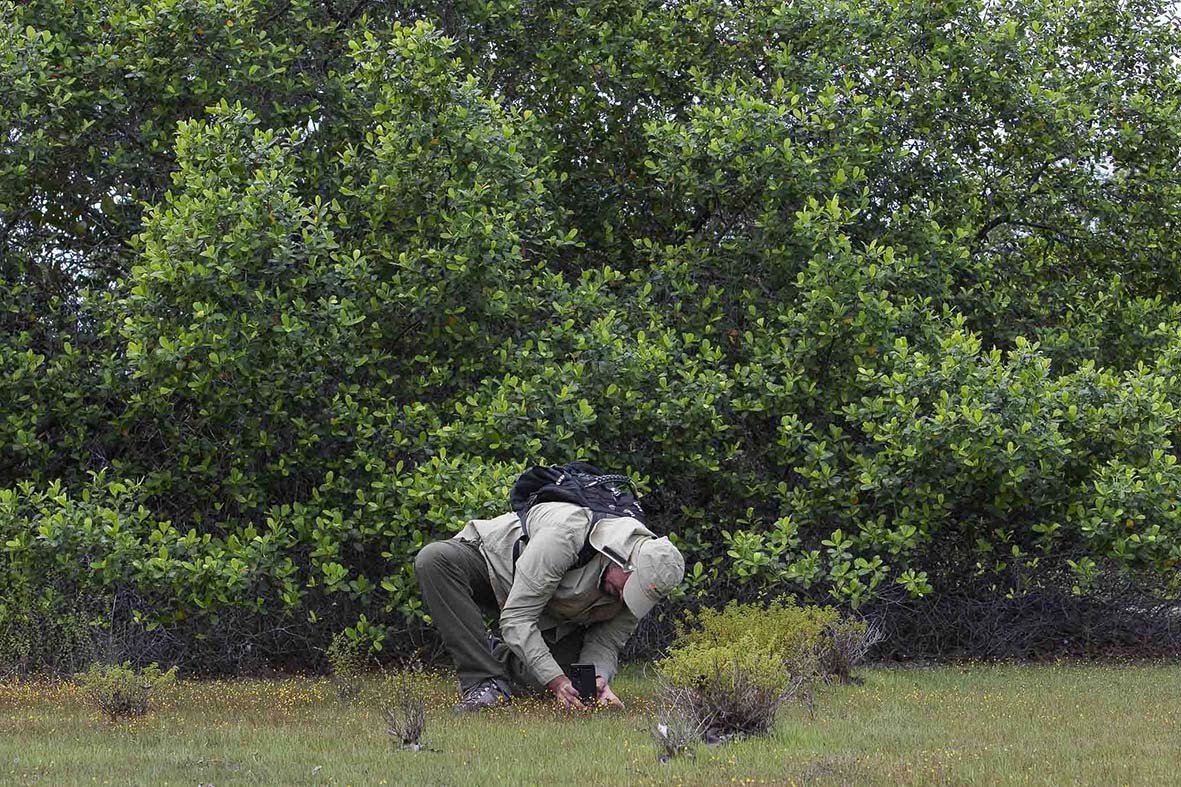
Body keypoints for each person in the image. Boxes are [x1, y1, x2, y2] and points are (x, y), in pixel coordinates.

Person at [415, 497, 685, 711]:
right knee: (434, 560)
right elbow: (517, 618)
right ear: (624, 559)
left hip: (546, 607)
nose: (626, 597)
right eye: (629, 587)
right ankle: (483, 682)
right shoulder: (565, 534)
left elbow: (606, 641)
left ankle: (490, 651)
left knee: (560, 677)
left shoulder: (642, 588)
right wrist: (557, 682)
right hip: (496, 566)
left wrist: (596, 680)